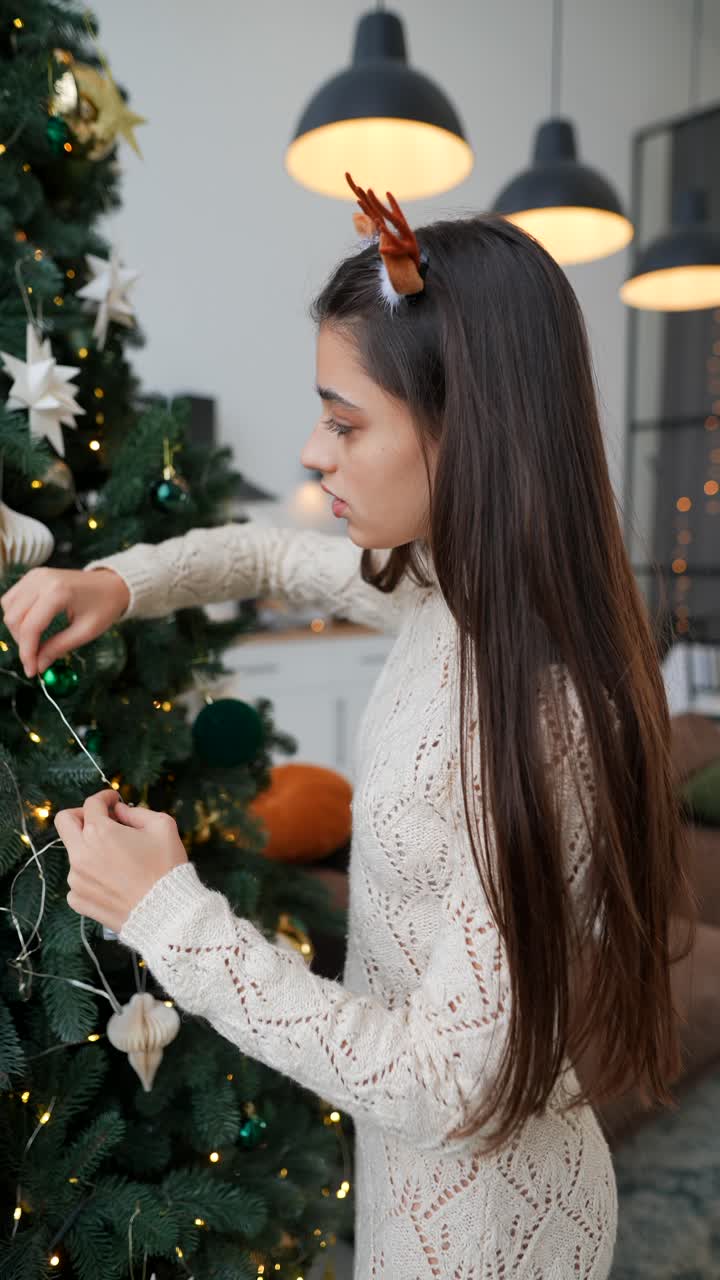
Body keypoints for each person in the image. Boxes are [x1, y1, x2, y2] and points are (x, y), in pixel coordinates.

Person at [0, 175, 696, 1279]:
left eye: (345, 419)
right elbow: (271, 552)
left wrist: (169, 914)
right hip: (420, 1190)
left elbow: (446, 1084)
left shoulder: (550, 714)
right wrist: (117, 583)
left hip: (487, 1237)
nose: (316, 454)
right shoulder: (448, 594)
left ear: (474, 429)